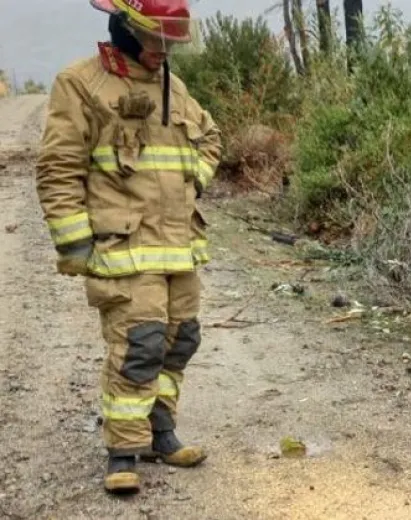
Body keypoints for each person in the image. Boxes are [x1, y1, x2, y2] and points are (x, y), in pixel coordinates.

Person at [34, 0, 221, 495]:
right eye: (155, 40)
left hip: (179, 250)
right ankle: (122, 451)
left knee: (180, 342)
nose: (163, 52)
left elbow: (211, 139)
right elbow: (58, 169)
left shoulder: (172, 88)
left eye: (170, 42)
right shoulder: (80, 84)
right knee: (139, 346)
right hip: (124, 249)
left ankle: (162, 433)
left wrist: (192, 183)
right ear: (124, 27)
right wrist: (75, 245)